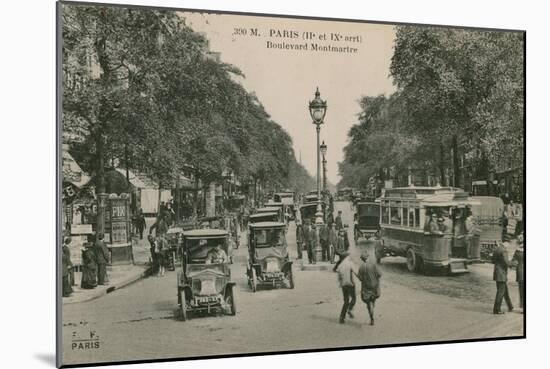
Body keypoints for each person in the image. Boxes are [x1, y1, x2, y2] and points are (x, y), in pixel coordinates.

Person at [357, 245, 382, 325]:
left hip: (366, 289)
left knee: (369, 304)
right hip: (375, 287)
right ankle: (372, 307)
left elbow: (360, 278)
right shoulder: (373, 265)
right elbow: (380, 274)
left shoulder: (361, 267)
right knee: (372, 301)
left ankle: (371, 318)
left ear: (362, 259)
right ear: (368, 257)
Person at [334, 251, 358, 324]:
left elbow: (339, 277)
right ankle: (350, 309)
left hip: (344, 285)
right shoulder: (350, 263)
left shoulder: (340, 266)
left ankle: (342, 317)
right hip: (350, 284)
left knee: (346, 301)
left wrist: (341, 283)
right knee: (354, 298)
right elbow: (356, 273)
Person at [492, 240, 514, 314]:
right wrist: (514, 263)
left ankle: (510, 306)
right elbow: (506, 262)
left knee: (504, 290)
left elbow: (493, 260)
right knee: (501, 292)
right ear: (506, 243)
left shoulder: (496, 249)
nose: (509, 246)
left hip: (497, 272)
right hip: (502, 274)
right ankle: (497, 310)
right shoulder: (504, 250)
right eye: (509, 244)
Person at [511, 233, 525, 312]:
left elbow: (513, 261)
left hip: (520, 273)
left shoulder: (517, 251)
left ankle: (523, 308)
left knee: (521, 290)